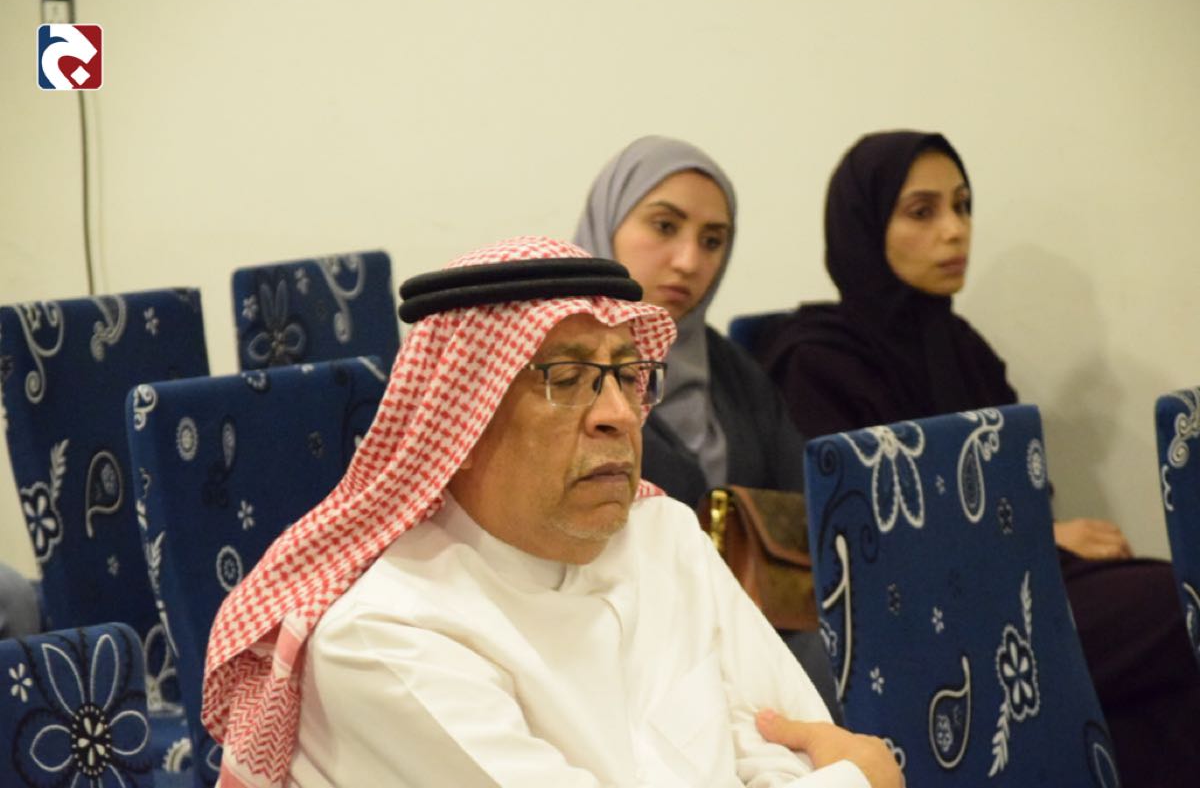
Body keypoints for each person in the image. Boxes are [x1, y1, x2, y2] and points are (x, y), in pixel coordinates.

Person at [201, 237, 901, 787]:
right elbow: (842, 769)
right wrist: (856, 781)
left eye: (628, 375)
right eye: (566, 379)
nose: (619, 414)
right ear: (462, 423)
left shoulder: (665, 536)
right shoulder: (382, 639)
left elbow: (795, 741)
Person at [754, 130, 1200, 786]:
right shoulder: (818, 360)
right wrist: (1046, 537)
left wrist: (1039, 536)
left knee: (1167, 654)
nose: (955, 230)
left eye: (963, 206)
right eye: (923, 211)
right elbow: (861, 535)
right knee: (1175, 609)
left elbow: (1021, 485)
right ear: (864, 225)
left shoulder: (960, 344)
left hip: (1012, 578)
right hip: (919, 613)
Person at [573, 136, 840, 722]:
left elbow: (803, 504)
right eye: (664, 227)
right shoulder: (559, 376)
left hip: (750, 631)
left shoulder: (731, 371)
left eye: (713, 240)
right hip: (612, 646)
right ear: (608, 224)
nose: (689, 261)